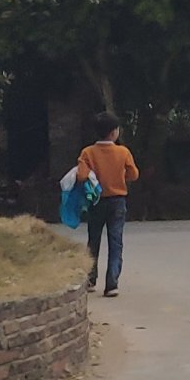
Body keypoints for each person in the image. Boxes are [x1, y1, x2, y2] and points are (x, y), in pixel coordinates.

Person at [75, 111, 139, 297]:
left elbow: (81, 176)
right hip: (117, 201)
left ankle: (90, 280)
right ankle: (112, 284)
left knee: (93, 240)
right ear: (114, 132)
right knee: (115, 241)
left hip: (96, 201)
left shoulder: (88, 152)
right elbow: (134, 175)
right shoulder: (123, 152)